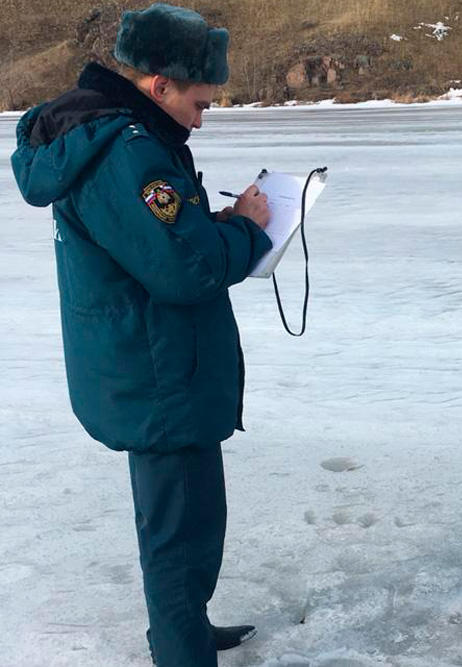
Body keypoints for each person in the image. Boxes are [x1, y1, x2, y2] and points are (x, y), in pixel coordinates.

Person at [11, 4, 272, 666]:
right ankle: (181, 649)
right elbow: (186, 267)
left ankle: (182, 629)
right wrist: (248, 229)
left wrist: (214, 222)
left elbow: (163, 240)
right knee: (177, 534)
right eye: (199, 101)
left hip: (160, 364)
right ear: (159, 83)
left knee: (191, 522)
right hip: (156, 374)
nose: (203, 115)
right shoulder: (127, 153)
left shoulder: (123, 137)